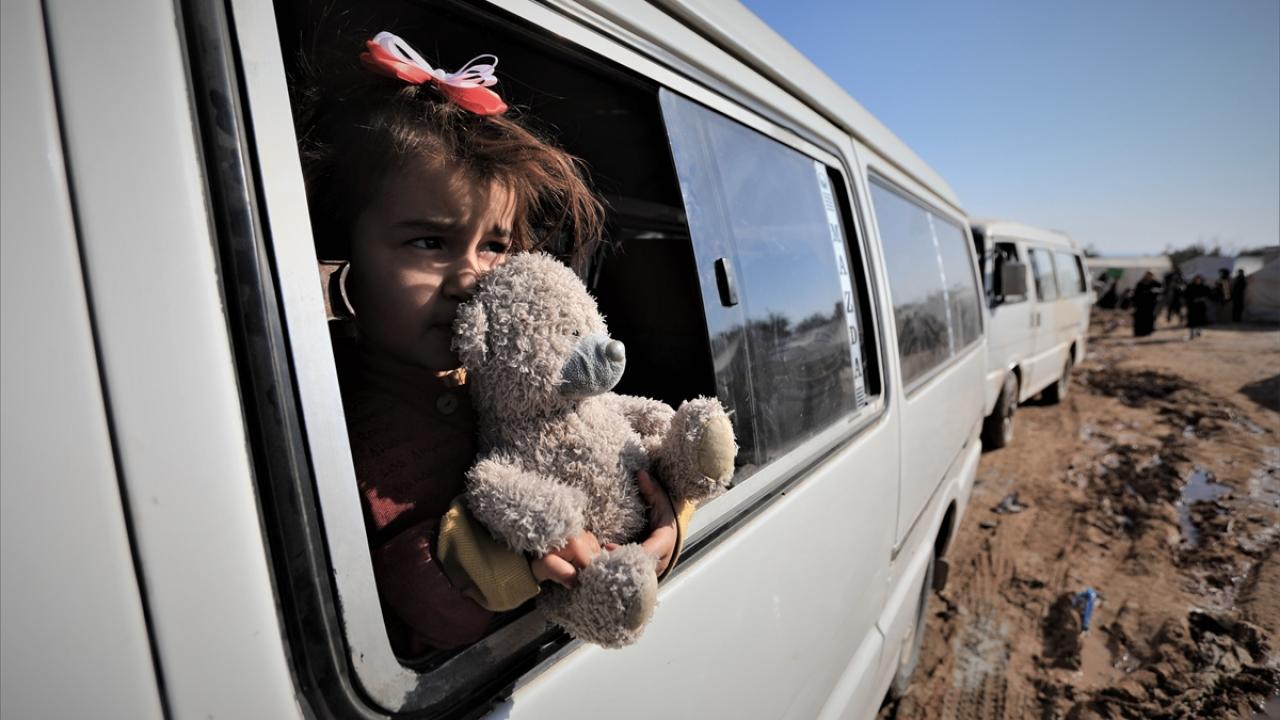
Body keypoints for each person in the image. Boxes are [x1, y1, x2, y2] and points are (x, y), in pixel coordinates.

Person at [296, 31, 696, 656]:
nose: (471, 278)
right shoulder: (323, 418)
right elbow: (386, 628)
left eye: (495, 245)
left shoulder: (531, 379)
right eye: (428, 242)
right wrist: (511, 560)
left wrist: (668, 518)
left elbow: (617, 448)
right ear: (343, 250)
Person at [1132, 271, 1161, 337]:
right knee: (1139, 319)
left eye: (1150, 275)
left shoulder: (1155, 283)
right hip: (1141, 305)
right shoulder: (1141, 283)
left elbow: (1160, 290)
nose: (1148, 276)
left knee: (1149, 319)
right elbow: (1136, 294)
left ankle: (1147, 331)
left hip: (1150, 304)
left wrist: (1154, 292)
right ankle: (1139, 332)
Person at [1185, 274, 1212, 339]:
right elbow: (1186, 295)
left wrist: (1202, 299)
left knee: (1200, 319)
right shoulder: (1190, 286)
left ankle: (1198, 331)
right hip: (1192, 306)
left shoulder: (1203, 287)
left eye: (1199, 279)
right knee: (1191, 320)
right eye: (1197, 279)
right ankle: (1191, 334)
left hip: (1200, 306)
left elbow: (1208, 294)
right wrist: (1193, 299)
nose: (1198, 280)